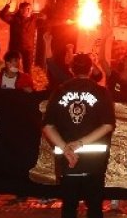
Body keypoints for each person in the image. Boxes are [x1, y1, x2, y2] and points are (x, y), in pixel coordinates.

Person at [42, 53, 115, 218]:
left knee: (69, 207)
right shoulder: (101, 92)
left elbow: (47, 126)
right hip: (94, 161)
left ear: (70, 69)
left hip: (68, 162)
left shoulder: (59, 91)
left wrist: (66, 148)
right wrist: (81, 143)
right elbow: (108, 125)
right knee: (95, 207)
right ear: (90, 69)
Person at [0, 1, 40, 73]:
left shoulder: (34, 20)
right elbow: (2, 15)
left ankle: (27, 82)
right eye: (23, 9)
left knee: (28, 70)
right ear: (20, 10)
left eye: (28, 9)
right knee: (13, 68)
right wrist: (7, 6)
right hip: (15, 48)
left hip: (28, 49)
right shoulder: (14, 19)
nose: (26, 11)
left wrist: (63, 20)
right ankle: (12, 82)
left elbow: (49, 22)